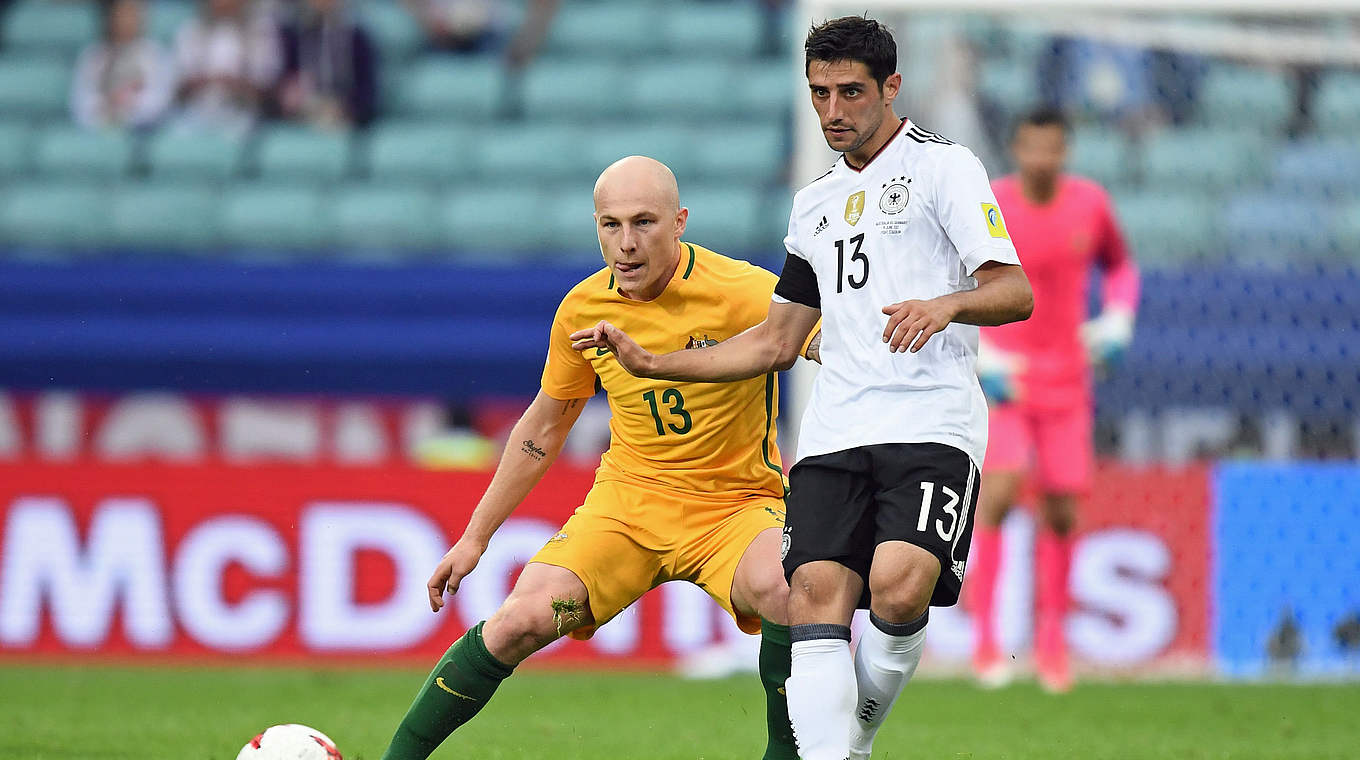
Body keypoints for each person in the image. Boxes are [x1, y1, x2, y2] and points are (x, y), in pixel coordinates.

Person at [570, 16, 1033, 760]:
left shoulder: (947, 169)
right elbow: (778, 342)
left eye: (850, 92)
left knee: (900, 586)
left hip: (932, 422)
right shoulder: (812, 205)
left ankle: (852, 744)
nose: (833, 111)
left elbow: (1015, 292)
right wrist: (657, 364)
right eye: (819, 93)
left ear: (891, 88)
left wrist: (945, 304)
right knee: (814, 596)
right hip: (835, 430)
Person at [379, 155, 821, 760]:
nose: (628, 244)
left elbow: (832, 345)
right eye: (610, 226)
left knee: (786, 586)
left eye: (644, 223)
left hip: (735, 508)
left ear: (680, 222)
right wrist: (475, 538)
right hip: (627, 510)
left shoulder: (746, 293)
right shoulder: (582, 309)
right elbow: (544, 426)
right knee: (517, 622)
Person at [969, 106, 1140, 693]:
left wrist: (1117, 318)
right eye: (1031, 147)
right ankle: (988, 643)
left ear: (1064, 151)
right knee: (1004, 485)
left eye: (1052, 148)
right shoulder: (993, 202)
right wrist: (981, 350)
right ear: (1017, 148)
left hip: (1068, 376)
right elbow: (957, 272)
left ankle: (1052, 645)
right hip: (1009, 374)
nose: (1041, 159)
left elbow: (1120, 267)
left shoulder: (1090, 204)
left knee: (1063, 507)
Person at [170, 0, 282, 138]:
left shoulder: (261, 30)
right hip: (195, 114)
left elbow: (267, 84)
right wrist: (204, 81)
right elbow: (177, 86)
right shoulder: (190, 30)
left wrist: (235, 84)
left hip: (244, 114)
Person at [70, 0, 175, 131]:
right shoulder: (93, 56)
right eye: (120, 14)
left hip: (143, 132)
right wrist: (106, 113)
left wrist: (126, 110)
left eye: (131, 14)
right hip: (99, 131)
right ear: (109, 17)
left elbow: (159, 101)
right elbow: (81, 104)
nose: (125, 20)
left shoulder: (154, 54)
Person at [275, 0, 378, 130]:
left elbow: (367, 91)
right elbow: (285, 84)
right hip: (302, 118)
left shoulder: (358, 39)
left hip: (345, 119)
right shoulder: (293, 37)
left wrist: (343, 109)